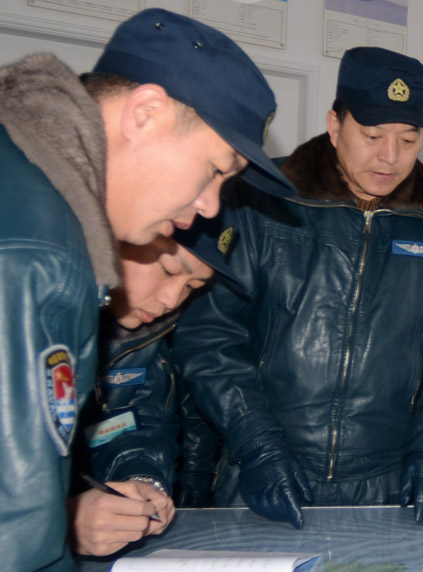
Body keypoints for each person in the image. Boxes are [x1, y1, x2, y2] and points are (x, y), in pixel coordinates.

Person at [0, 8, 292, 570]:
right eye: (214, 168)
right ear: (146, 112)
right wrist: (59, 523)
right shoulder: (40, 243)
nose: (210, 205)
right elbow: (18, 540)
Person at [174, 46, 423, 529]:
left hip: (388, 483)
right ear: (334, 124)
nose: (390, 157)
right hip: (265, 469)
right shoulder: (264, 200)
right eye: (372, 136)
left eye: (408, 140)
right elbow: (211, 338)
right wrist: (257, 445)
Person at [69, 209, 243, 556]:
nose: (171, 300)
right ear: (117, 241)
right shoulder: (27, 308)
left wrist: (140, 481)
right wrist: (62, 522)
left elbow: (134, 424)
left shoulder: (143, 339)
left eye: (193, 287)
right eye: (169, 270)